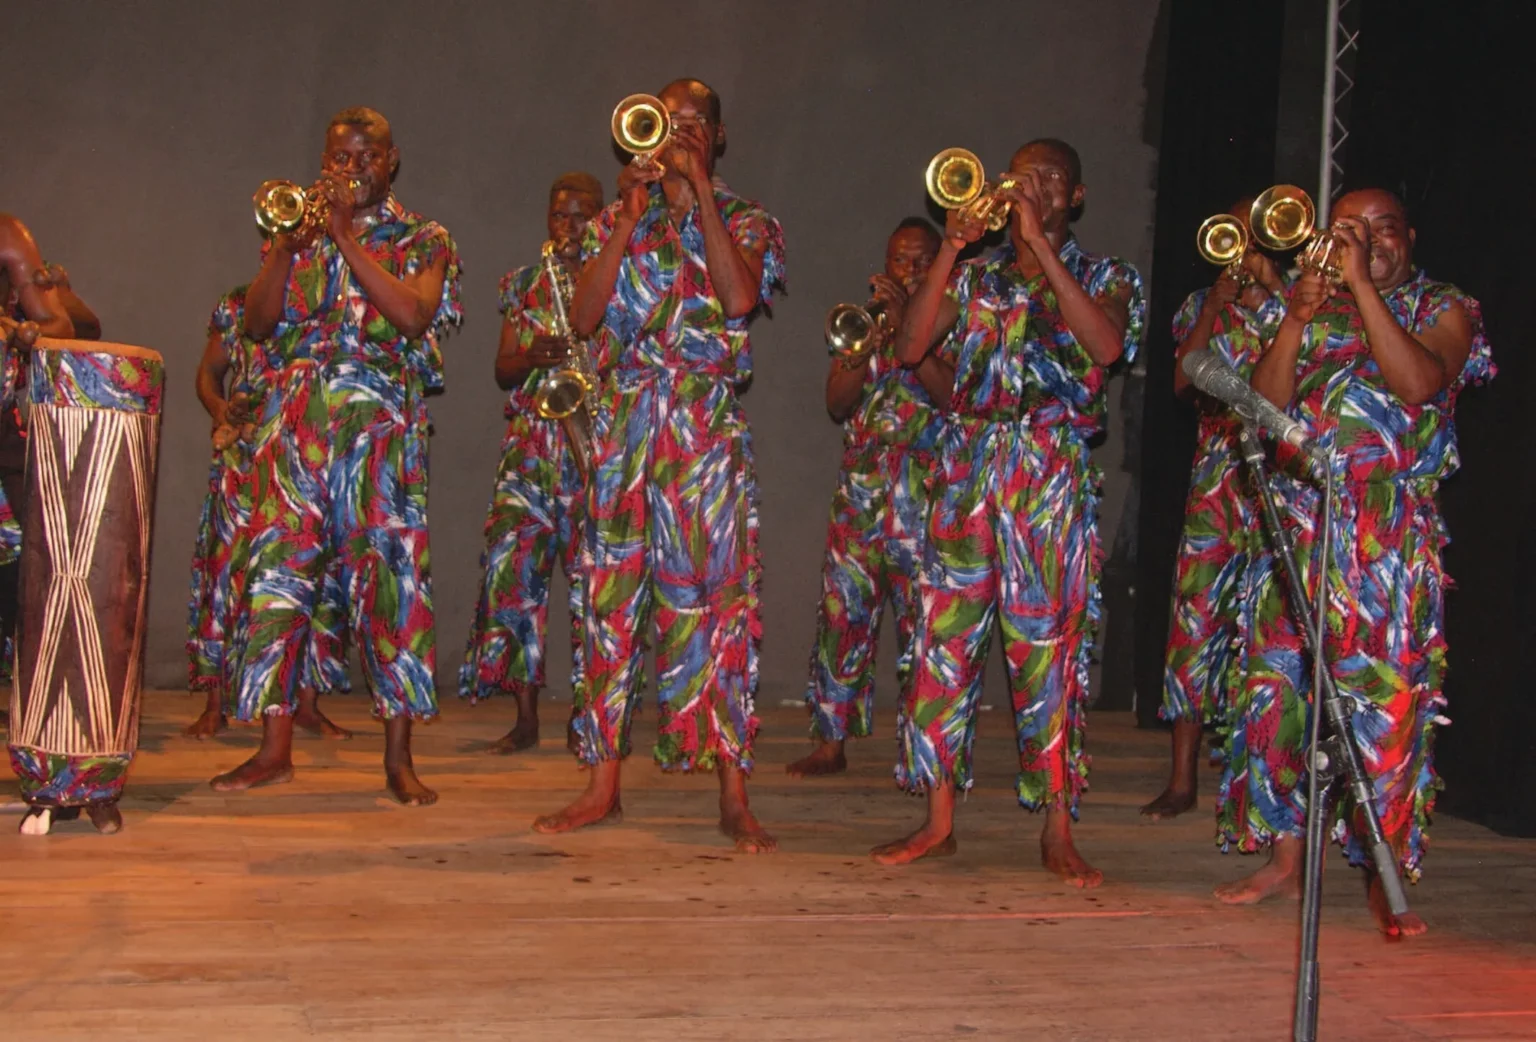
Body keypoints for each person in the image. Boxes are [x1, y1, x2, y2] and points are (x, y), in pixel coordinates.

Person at [1216, 188, 1490, 938]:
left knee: (1383, 709)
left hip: (1384, 535)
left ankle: (1382, 875)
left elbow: (1419, 384)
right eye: (1349, 232)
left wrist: (1362, 284)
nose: (1364, 243)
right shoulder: (1307, 305)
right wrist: (1295, 318)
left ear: (1410, 237)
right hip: (1297, 523)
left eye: (1382, 230)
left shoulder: (1444, 306)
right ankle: (1285, 859)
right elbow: (1264, 413)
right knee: (1278, 695)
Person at [534, 79, 785, 852]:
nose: (675, 133)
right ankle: (601, 785)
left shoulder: (748, 220)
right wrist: (628, 216)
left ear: (717, 137)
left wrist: (701, 192)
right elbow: (583, 318)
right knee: (606, 604)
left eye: (692, 123)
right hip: (625, 425)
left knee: (720, 608)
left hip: (704, 431)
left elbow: (738, 299)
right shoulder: (618, 217)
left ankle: (733, 793)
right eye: (665, 120)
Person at [887, 139, 1145, 884]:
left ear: (1076, 196)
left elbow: (1107, 348)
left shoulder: (1106, 276)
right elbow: (909, 348)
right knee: (942, 643)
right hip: (968, 466)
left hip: (1048, 471)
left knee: (1048, 651)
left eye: (1050, 178)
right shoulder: (976, 275)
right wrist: (952, 248)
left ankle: (1057, 826)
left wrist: (1039, 247)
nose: (1033, 187)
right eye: (1022, 176)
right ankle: (938, 820)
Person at [211, 106, 461, 805]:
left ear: (392, 159)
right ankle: (273, 751)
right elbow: (257, 325)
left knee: (392, 587)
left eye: (366, 156)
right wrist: (286, 249)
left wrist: (346, 237)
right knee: (277, 582)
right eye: (340, 158)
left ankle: (398, 760)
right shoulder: (297, 232)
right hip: (293, 434)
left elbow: (413, 316)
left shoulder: (423, 237)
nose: (353, 169)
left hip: (379, 440)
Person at [787, 218, 952, 777]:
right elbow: (837, 404)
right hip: (861, 496)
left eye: (921, 260)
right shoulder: (866, 323)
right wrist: (863, 350)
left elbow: (954, 397)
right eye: (899, 260)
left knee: (924, 628)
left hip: (926, 497)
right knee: (842, 617)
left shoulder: (954, 320)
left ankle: (920, 751)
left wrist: (910, 328)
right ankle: (830, 743)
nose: (909, 271)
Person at [1140, 200, 1288, 819]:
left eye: (1255, 233)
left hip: (1285, 478)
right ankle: (1182, 780)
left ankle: (1267, 784)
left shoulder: (1304, 302)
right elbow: (1183, 382)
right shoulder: (1203, 303)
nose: (1243, 243)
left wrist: (1275, 292)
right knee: (1195, 624)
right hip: (1217, 481)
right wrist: (1214, 308)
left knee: (1277, 628)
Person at [461, 172, 605, 753]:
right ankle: (524, 718)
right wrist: (530, 356)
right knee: (514, 582)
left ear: (601, 218)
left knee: (593, 588)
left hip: (591, 448)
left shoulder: (616, 279)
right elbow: (502, 369)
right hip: (529, 452)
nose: (568, 225)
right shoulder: (525, 283)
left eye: (580, 215)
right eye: (559, 214)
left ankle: (587, 714)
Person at [185, 286, 352, 740]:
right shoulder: (238, 305)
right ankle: (215, 704)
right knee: (225, 574)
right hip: (243, 458)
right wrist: (221, 410)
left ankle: (306, 705)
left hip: (305, 458)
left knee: (315, 577)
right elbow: (209, 372)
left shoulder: (329, 296)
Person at [0, 218, 78, 723]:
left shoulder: (8, 235)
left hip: (3, 433)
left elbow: (60, 326)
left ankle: (31, 701)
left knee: (19, 574)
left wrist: (22, 332)